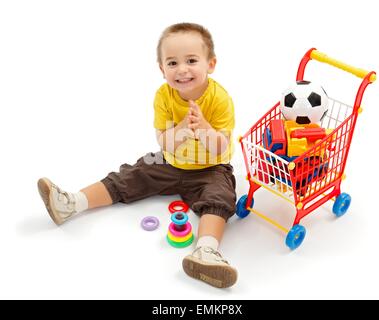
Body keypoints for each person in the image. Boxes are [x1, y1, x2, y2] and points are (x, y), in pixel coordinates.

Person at [37, 23, 237, 289]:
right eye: (173, 62)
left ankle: (206, 251)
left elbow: (220, 148)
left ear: (210, 64)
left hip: (211, 168)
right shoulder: (163, 96)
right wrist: (180, 131)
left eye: (191, 60)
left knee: (219, 197)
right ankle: (72, 203)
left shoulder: (219, 99)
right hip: (171, 162)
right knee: (133, 174)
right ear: (162, 69)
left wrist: (204, 129)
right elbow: (165, 142)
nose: (182, 69)